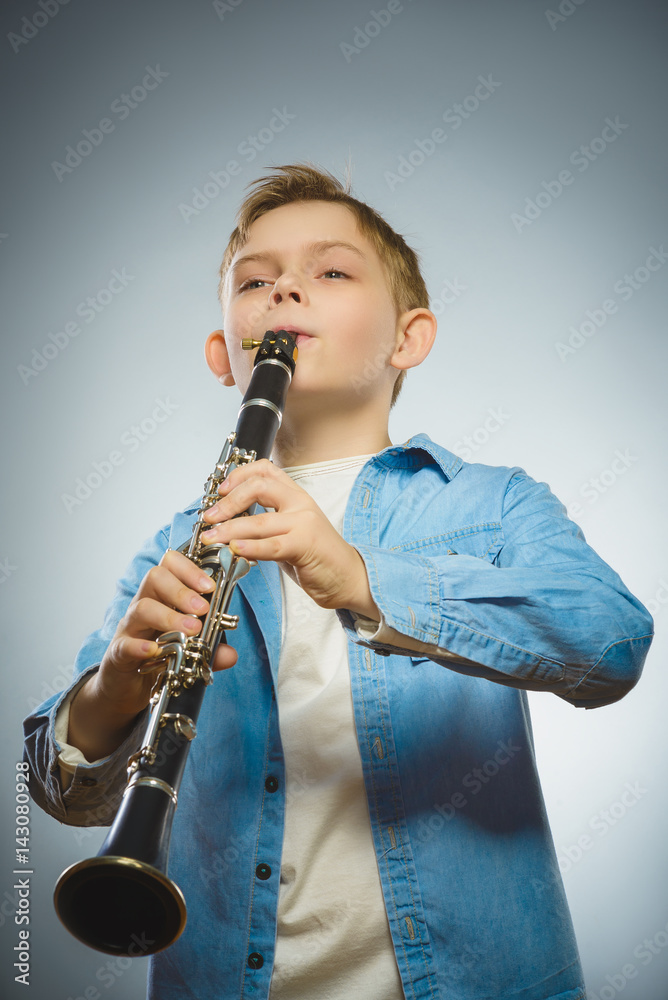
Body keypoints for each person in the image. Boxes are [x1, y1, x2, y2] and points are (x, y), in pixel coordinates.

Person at [24, 163, 653, 1000]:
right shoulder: (179, 544)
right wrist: (114, 686)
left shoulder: (493, 502)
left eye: (330, 271)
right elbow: (63, 793)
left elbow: (611, 644)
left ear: (409, 338)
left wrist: (360, 576)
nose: (284, 291)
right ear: (224, 355)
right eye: (255, 281)